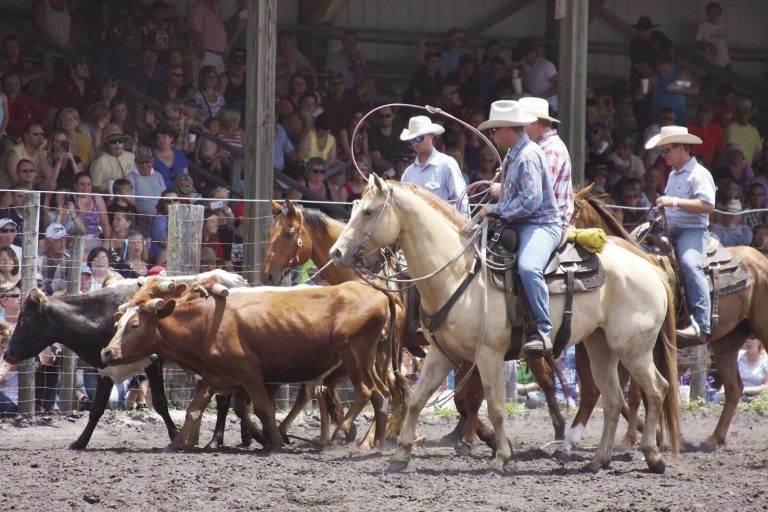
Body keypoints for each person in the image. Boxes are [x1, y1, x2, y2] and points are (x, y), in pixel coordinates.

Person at [477, 100, 562, 358]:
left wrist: (496, 210)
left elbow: (531, 202)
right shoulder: (514, 154)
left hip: (541, 224)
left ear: (507, 129)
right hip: (519, 223)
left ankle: (543, 330)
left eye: (495, 130)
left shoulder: (527, 156)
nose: (492, 135)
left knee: (528, 267)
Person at [647, 126, 716, 342]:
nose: (663, 156)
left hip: (692, 231)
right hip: (671, 230)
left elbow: (707, 205)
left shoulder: (699, 174)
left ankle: (700, 323)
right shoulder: (674, 175)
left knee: (689, 264)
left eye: (666, 150)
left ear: (680, 148)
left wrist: (673, 202)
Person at [519, 97, 573, 226]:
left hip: (547, 223)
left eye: (521, 121)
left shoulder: (551, 149)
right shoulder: (540, 147)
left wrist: (503, 189)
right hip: (537, 219)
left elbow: (540, 190)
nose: (519, 126)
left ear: (532, 121)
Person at [399, 115, 468, 215]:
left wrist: (464, 228)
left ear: (431, 136)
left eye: (419, 138)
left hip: (444, 228)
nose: (415, 143)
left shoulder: (447, 164)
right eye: (412, 140)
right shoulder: (408, 173)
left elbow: (461, 201)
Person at [628, 16, 674, 131]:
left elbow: (671, 47)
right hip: (642, 79)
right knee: (641, 103)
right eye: (641, 30)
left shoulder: (658, 37)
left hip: (660, 76)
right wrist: (655, 77)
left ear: (651, 29)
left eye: (646, 30)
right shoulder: (635, 45)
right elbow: (642, 66)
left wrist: (670, 64)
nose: (643, 32)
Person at [127, 146, 167, 237]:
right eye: (141, 163)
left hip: (160, 218)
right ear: (136, 163)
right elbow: (130, 205)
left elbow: (165, 198)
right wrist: (146, 217)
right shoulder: (131, 178)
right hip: (140, 219)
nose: (145, 165)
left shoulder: (158, 176)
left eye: (147, 162)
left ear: (152, 161)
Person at [4, 121, 55, 190]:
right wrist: (42, 178)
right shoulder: (14, 153)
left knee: (51, 183)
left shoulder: (42, 151)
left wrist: (40, 151)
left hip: (33, 187)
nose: (41, 138)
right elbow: (16, 182)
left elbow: (48, 175)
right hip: (12, 191)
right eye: (36, 134)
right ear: (26, 136)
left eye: (42, 134)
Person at [695, 2, 732, 90]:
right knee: (713, 85)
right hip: (713, 61)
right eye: (711, 12)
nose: (713, 15)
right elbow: (697, 42)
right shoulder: (703, 26)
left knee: (726, 86)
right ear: (707, 14)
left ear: (719, 14)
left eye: (716, 12)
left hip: (725, 61)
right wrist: (709, 45)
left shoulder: (720, 26)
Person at [89, 125, 135, 193]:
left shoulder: (132, 156)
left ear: (123, 143)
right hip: (110, 199)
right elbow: (95, 187)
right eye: (113, 141)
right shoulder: (100, 161)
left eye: (120, 141)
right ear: (108, 145)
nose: (117, 144)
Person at [72, 172, 111, 252]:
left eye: (88, 184)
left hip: (95, 239)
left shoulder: (97, 198)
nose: (86, 187)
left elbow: (105, 224)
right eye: (82, 184)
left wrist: (108, 241)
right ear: (75, 186)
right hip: (76, 239)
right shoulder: (72, 199)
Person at [187, 0, 228, 74]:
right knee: (205, 82)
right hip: (206, 54)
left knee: (218, 82)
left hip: (218, 55)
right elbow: (195, 32)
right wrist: (201, 55)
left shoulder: (213, 10)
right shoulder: (200, 8)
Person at [724, 100, 762, 167]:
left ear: (750, 114)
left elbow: (758, 152)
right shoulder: (731, 128)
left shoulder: (754, 131)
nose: (743, 115)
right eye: (740, 113)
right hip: (733, 167)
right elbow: (732, 150)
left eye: (746, 113)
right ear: (736, 114)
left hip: (749, 168)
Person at [152, 124, 189, 190]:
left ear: (171, 138)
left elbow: (186, 178)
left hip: (178, 196)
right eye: (158, 137)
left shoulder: (180, 156)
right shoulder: (150, 155)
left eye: (164, 136)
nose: (161, 140)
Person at [37, 222, 71, 295]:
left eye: (64, 239)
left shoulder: (70, 260)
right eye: (58, 240)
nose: (62, 244)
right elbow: (38, 289)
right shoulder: (39, 261)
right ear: (48, 241)